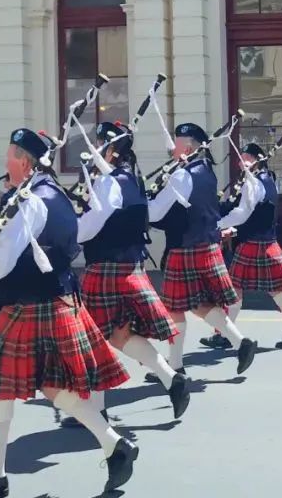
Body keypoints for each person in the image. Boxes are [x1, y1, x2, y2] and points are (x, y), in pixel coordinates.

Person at [0, 128, 136, 496]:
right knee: (52, 385)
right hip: (55, 302)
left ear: (25, 161)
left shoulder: (29, 201)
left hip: (33, 309)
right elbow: (28, 256)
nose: (5, 164)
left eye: (10, 156)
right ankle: (114, 445)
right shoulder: (54, 195)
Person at [67, 121, 191, 427]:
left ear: (110, 150)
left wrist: (65, 229)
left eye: (99, 143)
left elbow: (90, 226)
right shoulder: (131, 180)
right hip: (130, 267)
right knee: (120, 334)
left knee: (91, 339)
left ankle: (95, 411)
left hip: (106, 268)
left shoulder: (109, 183)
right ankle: (170, 378)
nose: (94, 148)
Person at [147, 122, 256, 376]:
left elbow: (156, 212)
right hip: (207, 245)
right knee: (200, 304)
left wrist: (139, 201)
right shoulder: (206, 171)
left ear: (186, 146)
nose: (172, 149)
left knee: (175, 307)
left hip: (184, 248)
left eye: (176, 143)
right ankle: (241, 342)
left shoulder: (182, 175)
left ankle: (175, 367)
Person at [217, 143, 282, 349]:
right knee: (277, 290)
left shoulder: (253, 182)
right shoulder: (270, 180)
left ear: (253, 159)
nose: (240, 162)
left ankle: (225, 334)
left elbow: (243, 213)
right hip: (267, 241)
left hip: (253, 242)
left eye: (244, 157)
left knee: (234, 288)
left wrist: (219, 224)